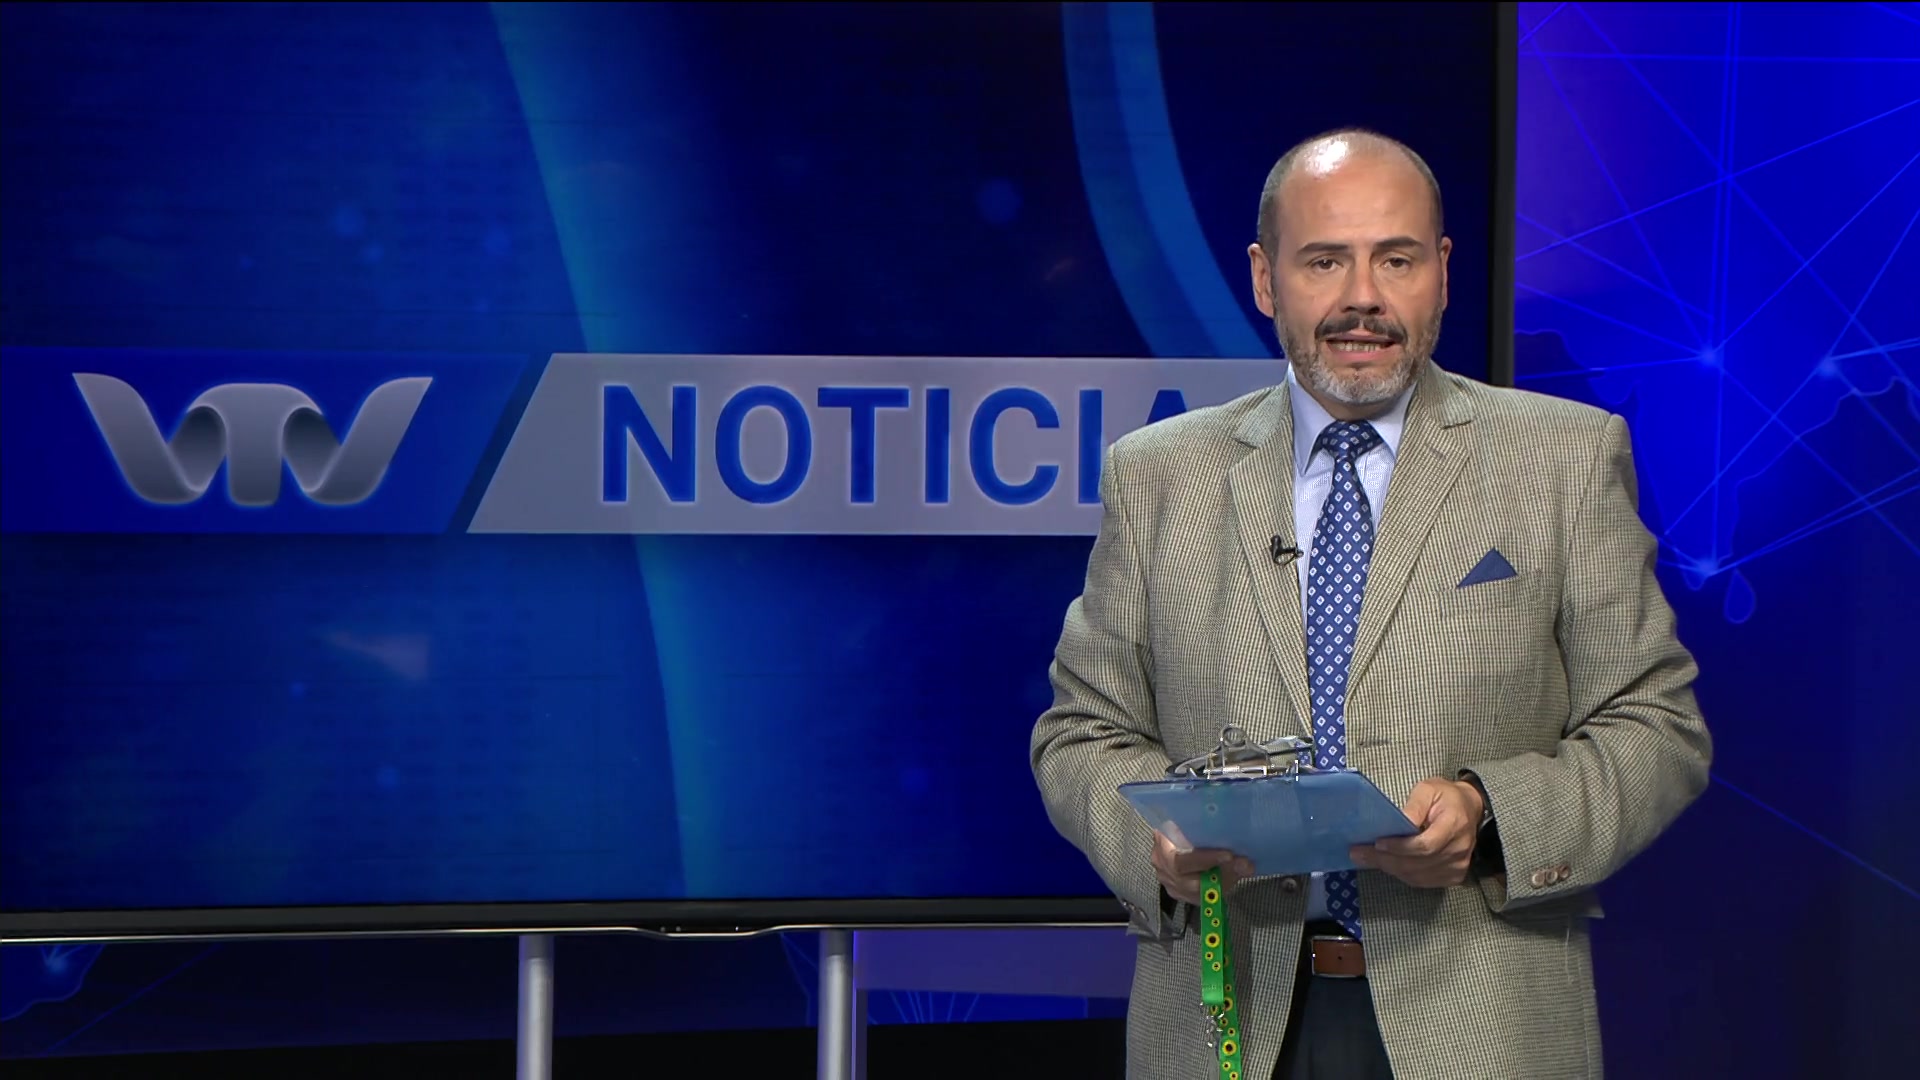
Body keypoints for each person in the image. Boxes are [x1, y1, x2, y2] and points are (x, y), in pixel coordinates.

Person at [1030, 128, 1711, 1080]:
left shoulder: (1563, 458)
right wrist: (1156, 844)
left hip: (1484, 1030)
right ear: (1266, 280)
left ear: (1442, 273)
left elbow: (1657, 726)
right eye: (1324, 261)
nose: (1363, 298)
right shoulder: (1159, 476)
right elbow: (1081, 733)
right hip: (1228, 1026)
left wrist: (1491, 816)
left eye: (1396, 260)